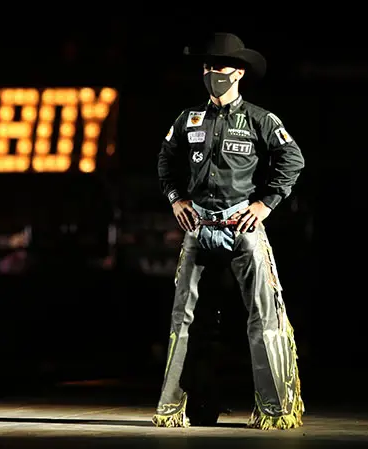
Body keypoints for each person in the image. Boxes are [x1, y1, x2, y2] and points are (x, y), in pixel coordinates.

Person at [152, 32, 306, 430]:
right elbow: (166, 159)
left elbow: (292, 158)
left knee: (264, 317)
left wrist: (265, 204)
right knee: (184, 319)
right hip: (198, 224)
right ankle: (173, 408)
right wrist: (175, 199)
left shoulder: (259, 119)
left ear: (238, 72)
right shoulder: (189, 118)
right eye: (206, 67)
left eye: (218, 66)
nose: (211, 73)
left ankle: (276, 410)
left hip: (242, 224)